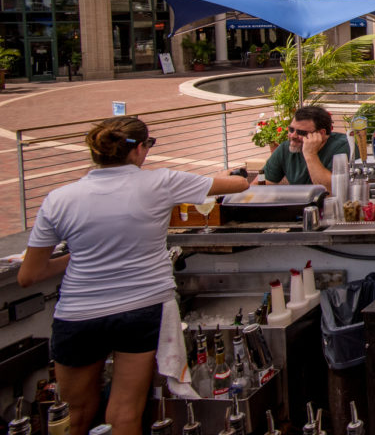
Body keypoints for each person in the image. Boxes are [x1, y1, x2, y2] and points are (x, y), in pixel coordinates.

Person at [20, 116, 249, 435]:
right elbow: (239, 186)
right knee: (125, 412)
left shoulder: (59, 199)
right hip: (141, 307)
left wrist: (82, 255)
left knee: (74, 413)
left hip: (78, 313)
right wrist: (229, 176)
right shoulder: (160, 182)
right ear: (140, 149)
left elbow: (29, 275)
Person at [262, 105, 349, 186]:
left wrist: (310, 154)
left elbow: (331, 189)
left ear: (321, 133)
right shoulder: (286, 148)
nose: (293, 136)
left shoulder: (343, 147)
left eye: (301, 132)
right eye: (291, 129)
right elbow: (262, 183)